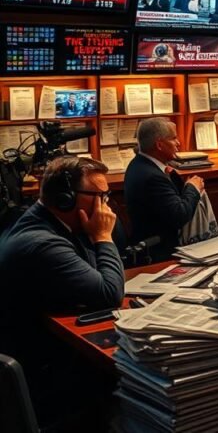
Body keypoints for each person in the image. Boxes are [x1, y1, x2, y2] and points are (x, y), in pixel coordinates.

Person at [0, 156, 124, 429]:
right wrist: (103, 236)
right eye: (100, 196)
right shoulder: (43, 243)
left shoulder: (44, 221)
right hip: (45, 376)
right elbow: (109, 292)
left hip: (43, 353)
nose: (106, 205)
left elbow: (95, 271)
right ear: (67, 199)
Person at [124, 118, 204, 261]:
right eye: (174, 138)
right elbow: (179, 215)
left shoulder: (139, 164)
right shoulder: (152, 177)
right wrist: (193, 188)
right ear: (160, 145)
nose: (178, 143)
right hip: (159, 252)